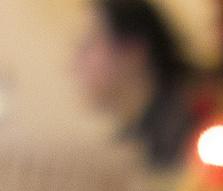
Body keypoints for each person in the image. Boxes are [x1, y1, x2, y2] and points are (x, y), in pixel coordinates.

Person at [73, 0, 201, 170]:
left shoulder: (200, 121)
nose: (76, 62)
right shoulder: (128, 147)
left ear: (134, 50)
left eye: (89, 43)